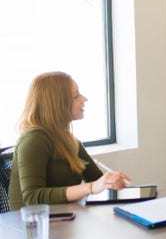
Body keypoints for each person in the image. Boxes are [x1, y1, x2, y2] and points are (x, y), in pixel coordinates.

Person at [8, 72, 130, 210]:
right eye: (76, 96)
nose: (85, 99)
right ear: (57, 103)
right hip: (31, 227)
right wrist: (90, 188)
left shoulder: (68, 140)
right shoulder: (34, 139)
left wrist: (111, 182)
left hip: (63, 220)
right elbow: (32, 197)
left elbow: (96, 180)